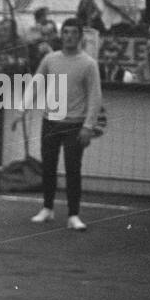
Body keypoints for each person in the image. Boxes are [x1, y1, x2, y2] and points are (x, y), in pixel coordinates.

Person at [30, 19, 103, 232]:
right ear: (61, 35)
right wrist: (22, 109)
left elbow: (95, 97)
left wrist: (88, 126)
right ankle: (47, 208)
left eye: (73, 32)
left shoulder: (89, 64)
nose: (69, 36)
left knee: (73, 170)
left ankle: (73, 215)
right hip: (50, 121)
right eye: (66, 32)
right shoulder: (50, 59)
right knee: (48, 167)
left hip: (74, 124)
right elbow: (36, 83)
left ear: (80, 36)